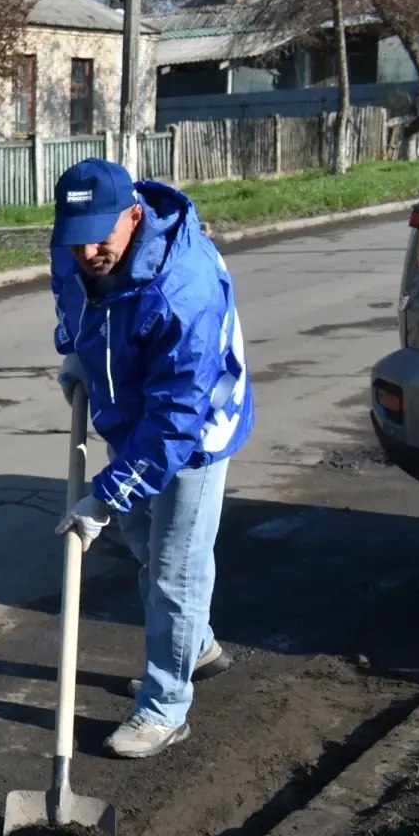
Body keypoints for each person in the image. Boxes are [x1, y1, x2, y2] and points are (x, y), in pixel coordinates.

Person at [48, 157, 252, 760]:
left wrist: (106, 496)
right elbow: (74, 304)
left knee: (172, 571)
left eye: (98, 240)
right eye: (74, 241)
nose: (86, 254)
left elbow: (177, 420)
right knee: (144, 539)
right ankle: (198, 643)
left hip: (193, 429)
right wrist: (76, 354)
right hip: (131, 408)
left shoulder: (182, 288)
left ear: (133, 218)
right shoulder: (76, 247)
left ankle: (166, 706)